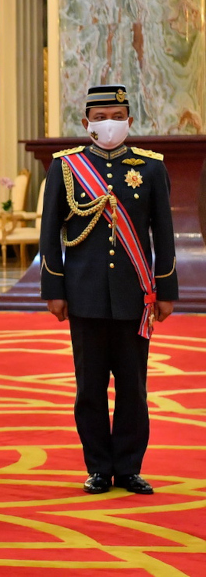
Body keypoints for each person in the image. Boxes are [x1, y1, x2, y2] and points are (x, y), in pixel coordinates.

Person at [39, 84, 178, 495]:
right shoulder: (66, 167)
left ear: (129, 120)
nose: (109, 124)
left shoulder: (151, 168)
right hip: (85, 296)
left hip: (134, 296)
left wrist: (165, 290)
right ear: (86, 124)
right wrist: (54, 288)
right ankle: (99, 466)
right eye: (100, 118)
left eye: (116, 116)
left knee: (134, 387)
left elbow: (164, 236)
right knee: (90, 389)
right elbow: (50, 235)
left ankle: (130, 467)